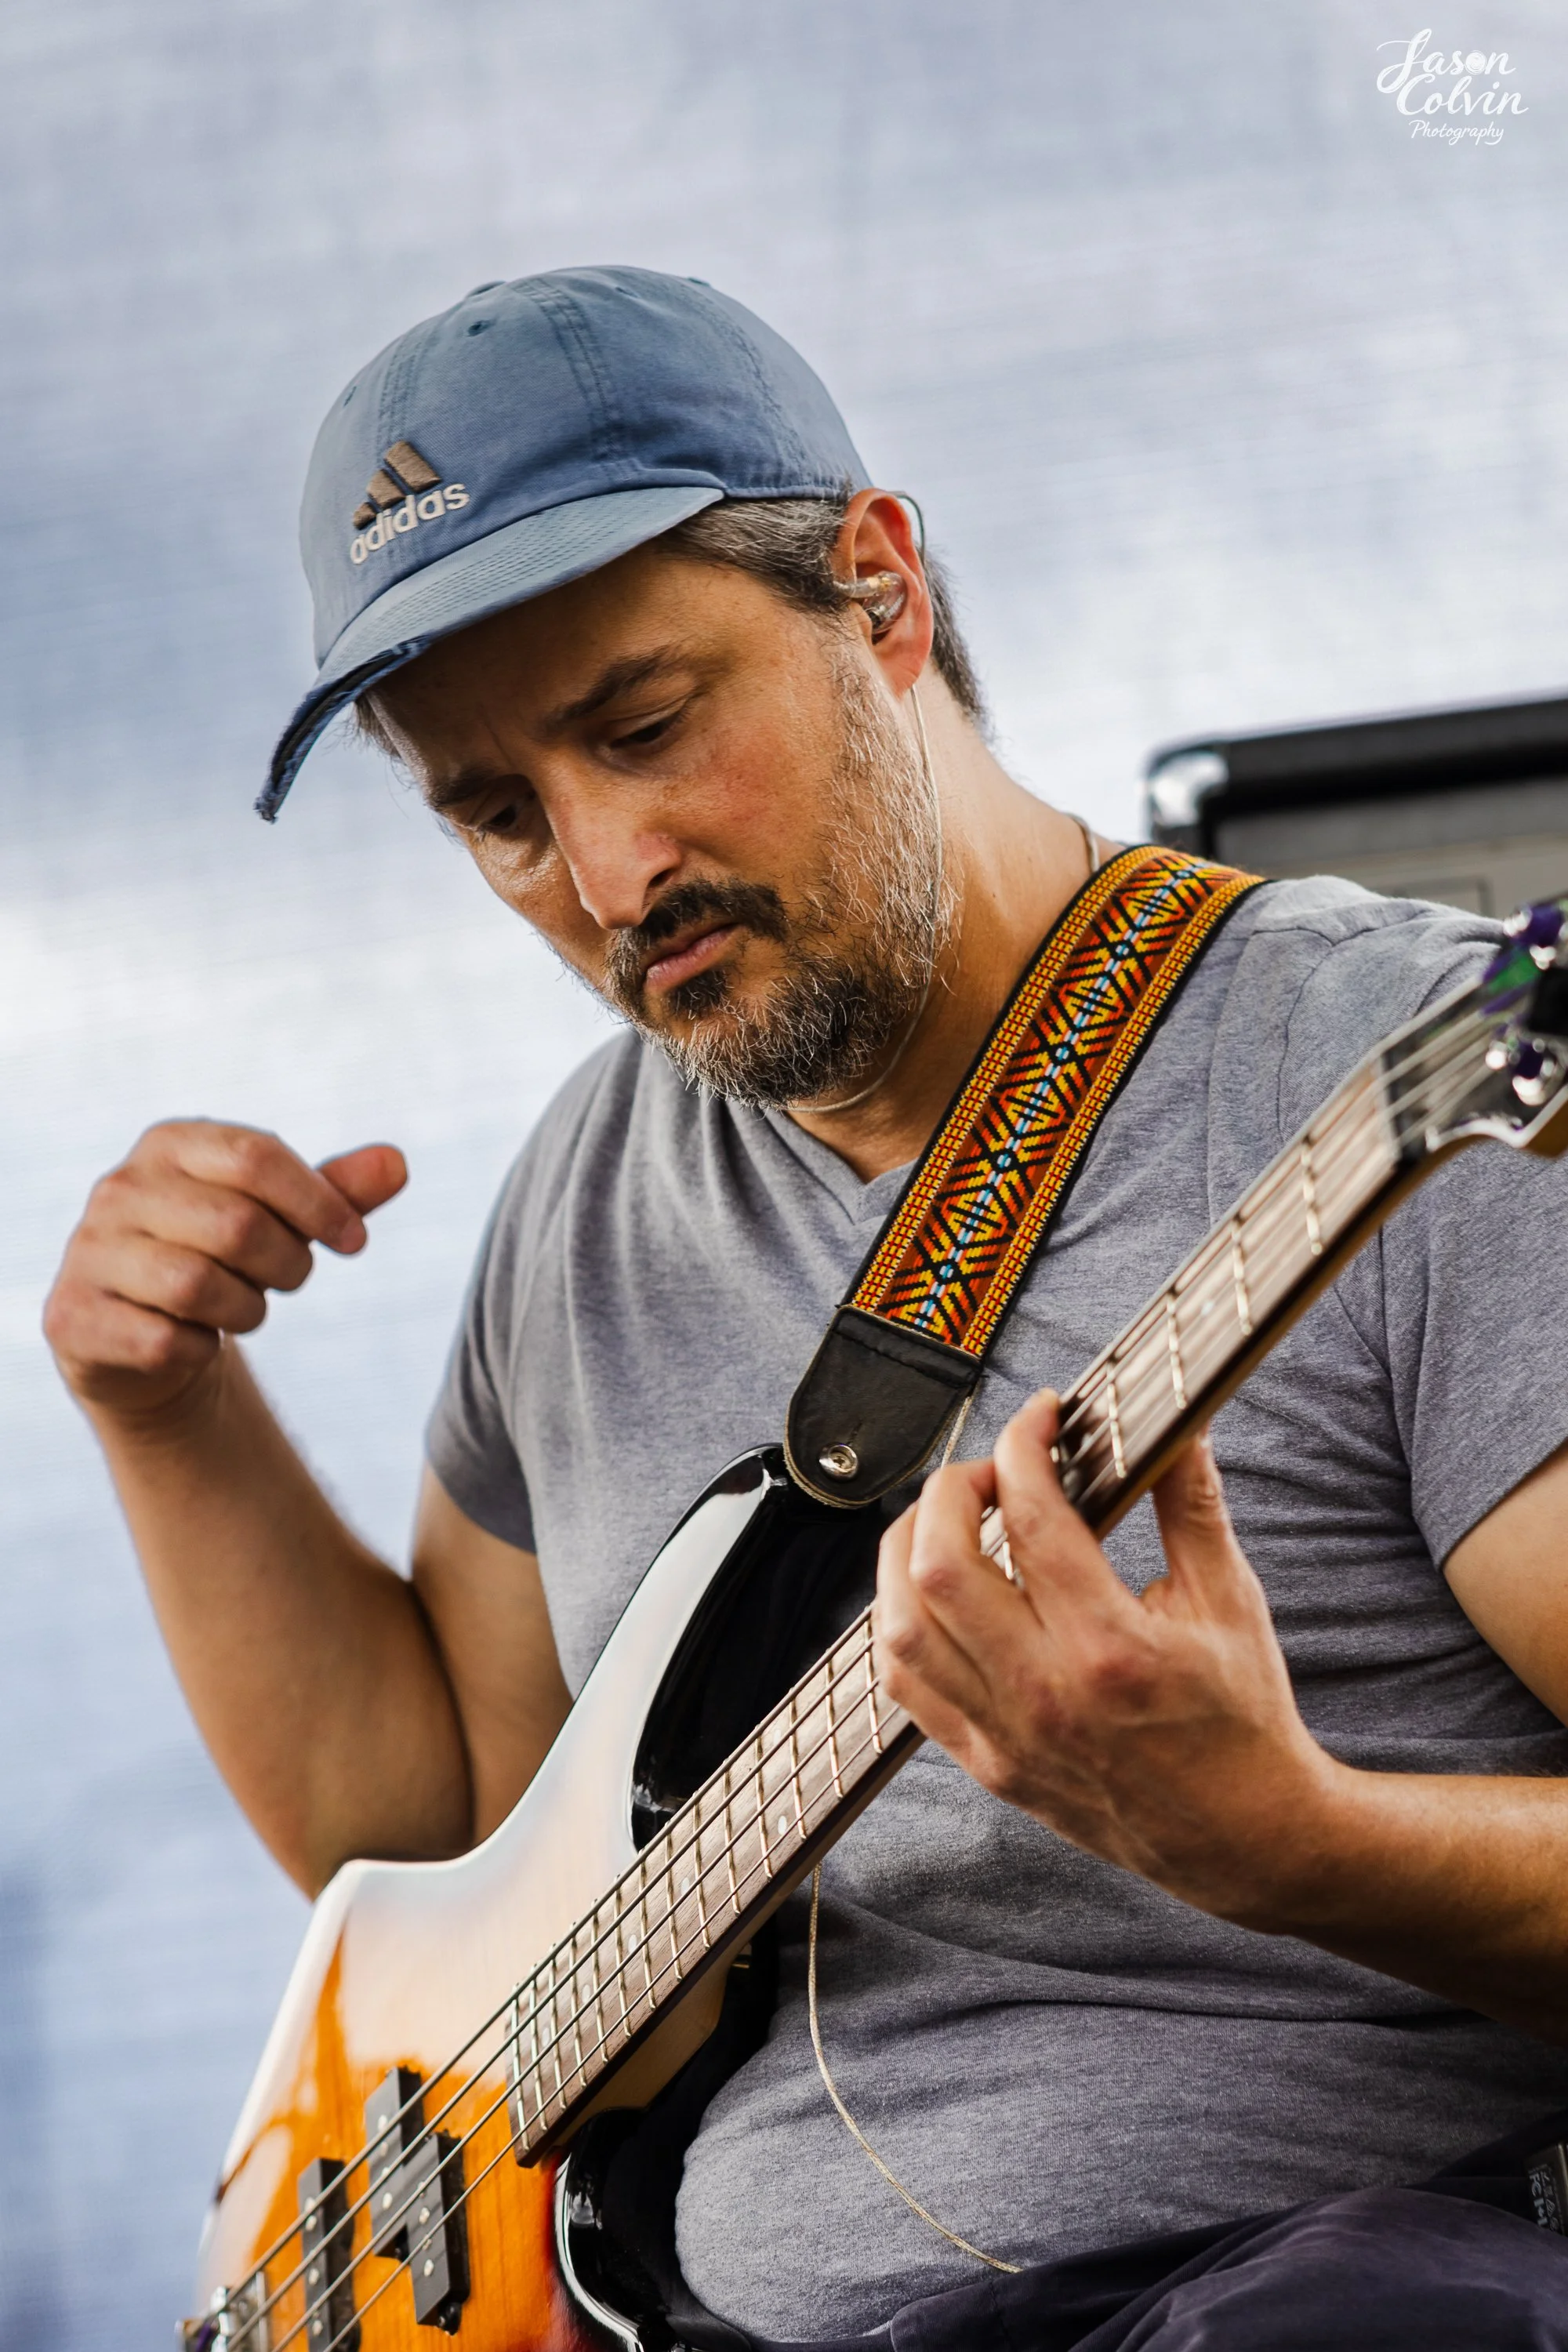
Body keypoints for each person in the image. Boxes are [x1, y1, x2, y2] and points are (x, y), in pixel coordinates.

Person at [42, 267, 1568, 2349]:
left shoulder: (1393, 1077)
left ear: (885, 594)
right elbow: (439, 1865)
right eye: (495, 813)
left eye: (644, 726)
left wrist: (1289, 1844)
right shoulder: (589, 1189)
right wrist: (167, 1416)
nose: (601, 871)